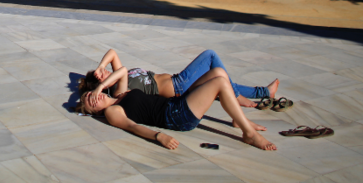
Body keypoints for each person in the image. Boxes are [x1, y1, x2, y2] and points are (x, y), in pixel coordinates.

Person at [75, 66, 277, 151]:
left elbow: (122, 70)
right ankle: (248, 133)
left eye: (92, 95)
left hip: (176, 104)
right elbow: (132, 127)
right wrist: (158, 136)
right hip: (176, 116)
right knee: (220, 84)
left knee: (218, 72)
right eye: (91, 102)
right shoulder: (112, 112)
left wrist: (100, 86)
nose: (95, 98)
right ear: (95, 112)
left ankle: (239, 117)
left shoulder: (120, 94)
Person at [79, 49, 279, 108]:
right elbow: (119, 69)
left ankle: (262, 92)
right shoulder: (118, 90)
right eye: (103, 76)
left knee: (220, 77)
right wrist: (99, 86)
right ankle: (240, 97)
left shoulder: (117, 76)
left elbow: (113, 53)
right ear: (103, 85)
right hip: (178, 87)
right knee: (210, 57)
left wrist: (100, 66)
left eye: (106, 71)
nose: (106, 72)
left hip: (178, 80)